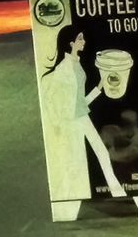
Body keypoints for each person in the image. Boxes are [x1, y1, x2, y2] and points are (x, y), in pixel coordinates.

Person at [38, 25, 127, 201]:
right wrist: (56, 122)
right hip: (71, 120)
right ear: (71, 42)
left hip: (81, 116)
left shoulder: (76, 63)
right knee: (75, 158)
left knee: (100, 151)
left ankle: (117, 191)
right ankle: (73, 194)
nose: (83, 41)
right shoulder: (63, 69)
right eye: (80, 38)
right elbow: (48, 98)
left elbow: (79, 100)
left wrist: (99, 88)